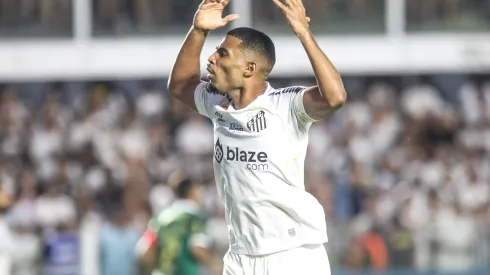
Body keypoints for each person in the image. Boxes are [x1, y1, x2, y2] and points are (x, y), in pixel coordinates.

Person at [167, 0, 347, 274]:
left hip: (292, 254)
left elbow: (335, 98)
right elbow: (180, 84)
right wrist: (198, 31)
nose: (211, 58)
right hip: (240, 256)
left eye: (223, 53)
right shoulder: (217, 103)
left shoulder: (285, 105)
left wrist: (303, 33)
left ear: (249, 68)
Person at [136, 173, 211, 275]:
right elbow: (197, 249)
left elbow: (144, 252)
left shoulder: (160, 216)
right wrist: (214, 263)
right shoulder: (195, 217)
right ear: (192, 191)